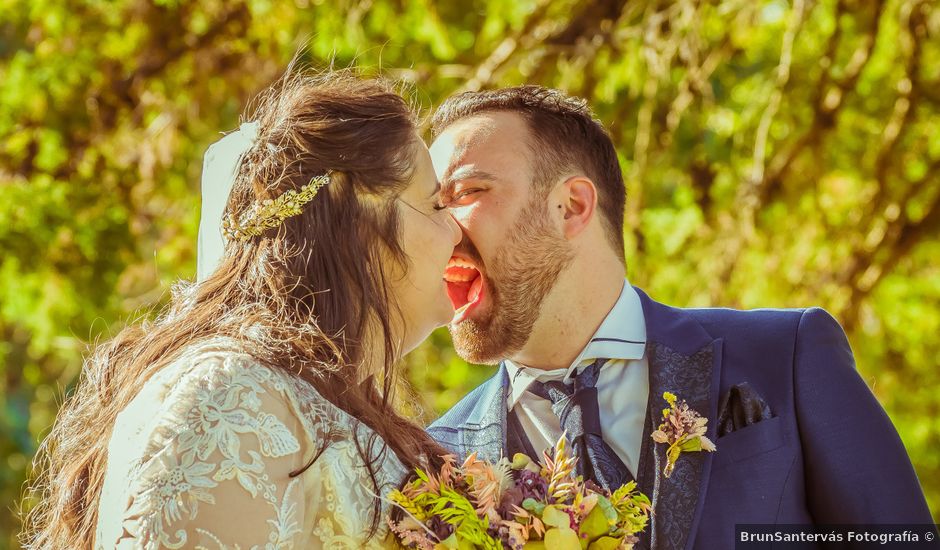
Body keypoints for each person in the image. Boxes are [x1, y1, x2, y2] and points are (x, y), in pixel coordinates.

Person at [426, 85, 933, 549]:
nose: (441, 232)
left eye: (466, 193)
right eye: (432, 210)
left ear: (571, 206)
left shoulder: (787, 354)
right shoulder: (437, 461)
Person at [22, 70, 461, 549]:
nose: (456, 232)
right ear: (357, 220)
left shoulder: (316, 397)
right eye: (436, 205)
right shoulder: (226, 397)